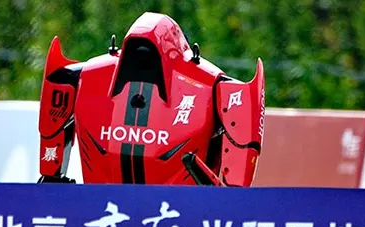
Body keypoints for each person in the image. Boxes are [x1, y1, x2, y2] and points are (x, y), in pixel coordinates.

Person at [36, 11, 265, 187]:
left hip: (100, 206)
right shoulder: (216, 85)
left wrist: (53, 177)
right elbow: (236, 192)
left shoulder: (75, 76)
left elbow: (50, 177)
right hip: (186, 215)